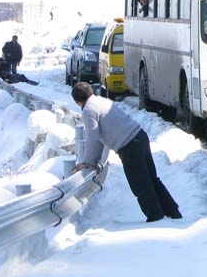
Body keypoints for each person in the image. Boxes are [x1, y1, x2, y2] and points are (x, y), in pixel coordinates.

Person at [71, 82, 182, 222]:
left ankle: (155, 216)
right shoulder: (100, 101)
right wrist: (95, 163)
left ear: (76, 101)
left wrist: (87, 163)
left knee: (140, 184)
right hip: (140, 136)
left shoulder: (88, 110)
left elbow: (93, 138)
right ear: (91, 91)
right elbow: (101, 139)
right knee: (151, 179)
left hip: (129, 146)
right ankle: (173, 211)